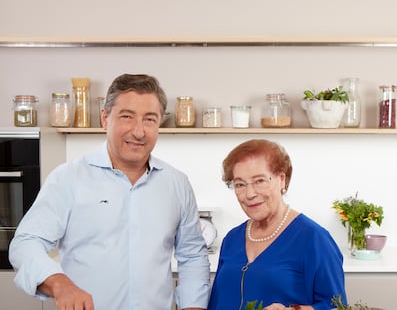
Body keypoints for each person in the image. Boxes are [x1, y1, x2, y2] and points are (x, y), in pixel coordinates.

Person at [9, 74, 211, 310]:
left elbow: (193, 256)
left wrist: (193, 307)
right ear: (105, 118)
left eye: (149, 119)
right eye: (127, 116)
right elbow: (26, 243)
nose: (139, 131)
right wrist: (59, 283)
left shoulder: (177, 183)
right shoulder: (68, 179)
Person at [207, 139, 346, 310]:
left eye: (260, 181)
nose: (250, 193)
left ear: (281, 179)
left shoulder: (314, 239)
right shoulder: (232, 238)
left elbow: (337, 306)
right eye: (240, 184)